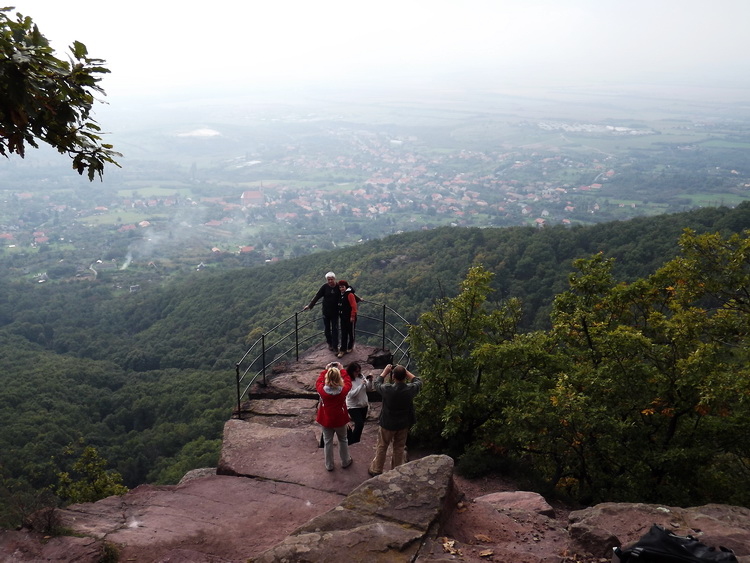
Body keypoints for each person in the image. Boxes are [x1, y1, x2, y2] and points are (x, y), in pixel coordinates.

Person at [368, 363, 422, 476]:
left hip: (387, 423)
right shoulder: (410, 390)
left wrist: (385, 372)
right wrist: (406, 371)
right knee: (399, 447)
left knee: (382, 445)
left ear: (393, 377)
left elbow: (377, 383)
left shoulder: (387, 389)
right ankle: (396, 471)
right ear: (404, 377)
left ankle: (377, 470)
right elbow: (418, 382)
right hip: (403, 423)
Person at [316, 361, 353, 471]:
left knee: (328, 441)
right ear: (338, 378)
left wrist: (326, 370)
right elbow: (348, 382)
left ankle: (329, 465)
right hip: (340, 419)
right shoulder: (343, 391)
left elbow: (319, 381)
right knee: (343, 439)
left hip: (326, 419)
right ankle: (345, 461)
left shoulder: (322, 390)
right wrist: (342, 369)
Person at [304, 271, 341, 353]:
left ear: (334, 279)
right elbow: (317, 296)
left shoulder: (339, 287)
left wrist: (358, 299)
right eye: (328, 280)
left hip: (335, 312)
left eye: (331, 279)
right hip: (326, 312)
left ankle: (335, 346)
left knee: (335, 329)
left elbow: (348, 292)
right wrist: (310, 306)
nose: (330, 281)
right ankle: (330, 344)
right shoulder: (324, 287)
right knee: (327, 329)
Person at [344, 362, 372, 445]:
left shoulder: (361, 376)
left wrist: (370, 381)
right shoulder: (347, 380)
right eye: (356, 371)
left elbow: (369, 389)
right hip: (353, 406)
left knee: (360, 425)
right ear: (351, 371)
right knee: (359, 424)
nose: (358, 373)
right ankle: (352, 441)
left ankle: (355, 441)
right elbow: (350, 395)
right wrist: (361, 386)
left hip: (363, 405)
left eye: (359, 371)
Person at [337, 279, 358, 358]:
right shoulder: (341, 294)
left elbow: (354, 306)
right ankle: (343, 349)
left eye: (343, 287)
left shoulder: (349, 294)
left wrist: (352, 316)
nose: (341, 289)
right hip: (343, 317)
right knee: (343, 333)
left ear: (346, 287)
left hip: (350, 317)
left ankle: (350, 346)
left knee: (350, 332)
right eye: (340, 287)